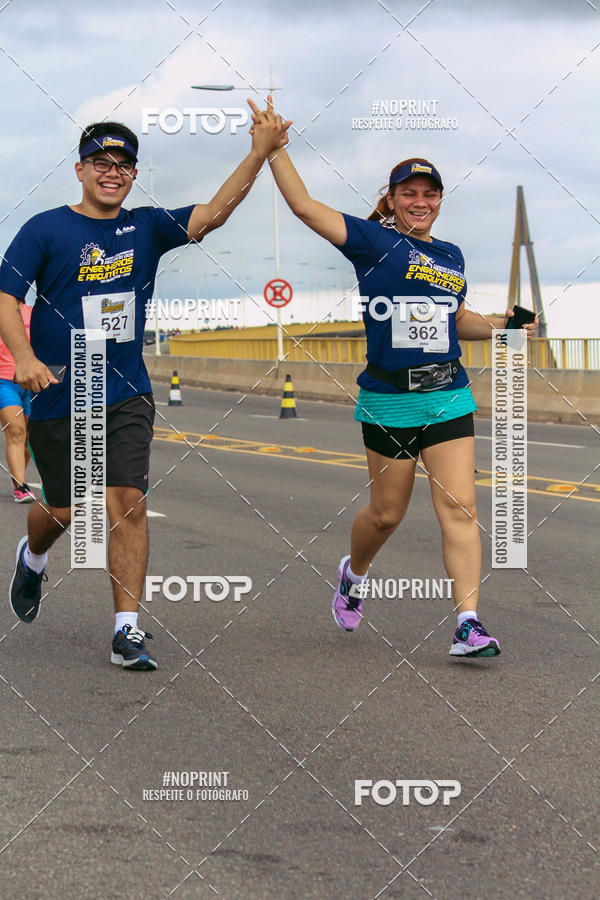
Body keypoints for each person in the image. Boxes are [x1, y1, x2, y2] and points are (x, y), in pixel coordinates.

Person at [0, 110, 290, 669]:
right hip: (62, 390)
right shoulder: (44, 228)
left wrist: (259, 153)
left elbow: (213, 213)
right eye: (101, 162)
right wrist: (27, 358)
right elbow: (5, 298)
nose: (113, 172)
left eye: (124, 165)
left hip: (125, 389)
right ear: (80, 169)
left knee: (128, 504)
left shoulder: (147, 227)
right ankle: (32, 556)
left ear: (134, 174)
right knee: (66, 509)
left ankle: (125, 631)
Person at [253, 97, 537, 658]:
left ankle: (468, 624)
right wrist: (275, 150)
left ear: (439, 201)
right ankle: (353, 574)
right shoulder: (373, 242)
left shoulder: (451, 255)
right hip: (388, 398)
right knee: (386, 514)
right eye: (409, 193)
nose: (420, 201)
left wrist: (502, 328)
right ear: (392, 199)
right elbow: (306, 207)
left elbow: (456, 319)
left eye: (430, 193)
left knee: (460, 508)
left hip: (447, 393)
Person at [0, 302, 36, 502]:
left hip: (31, 381)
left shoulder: (33, 313)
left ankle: (17, 477)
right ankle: (21, 486)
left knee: (30, 437)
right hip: (4, 381)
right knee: (16, 431)